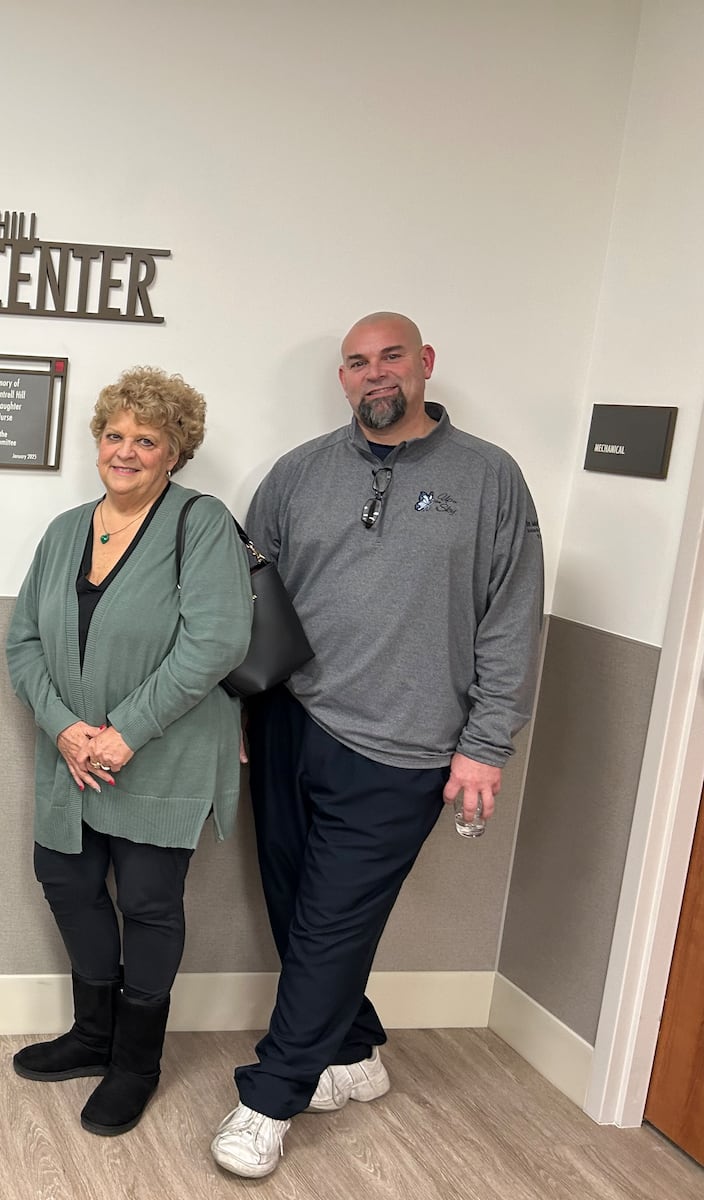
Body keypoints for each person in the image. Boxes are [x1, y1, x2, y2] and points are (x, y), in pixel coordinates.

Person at [211, 312, 544, 1178]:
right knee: (294, 908)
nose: (373, 375)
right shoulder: (298, 474)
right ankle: (354, 1052)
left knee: (329, 923)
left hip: (408, 743)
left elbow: (510, 619)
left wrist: (487, 743)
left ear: (425, 363)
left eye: (390, 357)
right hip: (290, 724)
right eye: (356, 363)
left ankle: (269, 1098)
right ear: (343, 379)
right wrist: (242, 714)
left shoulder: (491, 480)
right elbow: (248, 600)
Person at [6, 366, 253, 1137]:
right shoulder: (63, 531)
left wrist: (123, 732)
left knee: (147, 903)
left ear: (174, 452)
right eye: (115, 435)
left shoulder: (200, 523)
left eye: (147, 439)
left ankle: (136, 1063)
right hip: (71, 758)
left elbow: (217, 639)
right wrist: (66, 730)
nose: (126, 451)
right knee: (67, 883)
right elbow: (21, 643)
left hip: (162, 754)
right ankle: (92, 1035)